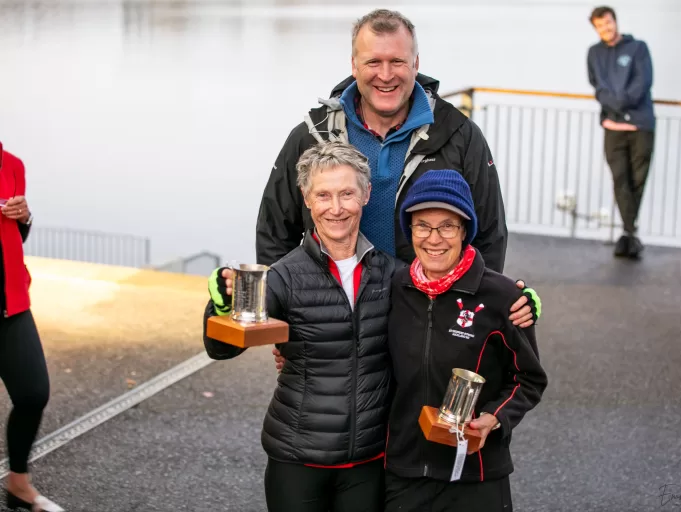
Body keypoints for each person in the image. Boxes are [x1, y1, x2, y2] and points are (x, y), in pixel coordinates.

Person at [256, 9, 520, 281]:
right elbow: (275, 232)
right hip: (330, 312)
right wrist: (283, 302)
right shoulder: (312, 136)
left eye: (397, 61)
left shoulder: (459, 134)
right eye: (373, 62)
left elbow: (489, 236)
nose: (385, 75)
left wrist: (472, 307)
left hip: (425, 310)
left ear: (415, 63)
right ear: (354, 65)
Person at [204, 141, 395, 511]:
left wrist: (510, 303)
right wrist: (220, 305)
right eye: (323, 195)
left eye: (347, 194)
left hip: (369, 462)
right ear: (306, 199)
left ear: (366, 195)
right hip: (296, 457)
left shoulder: (393, 274)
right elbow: (222, 348)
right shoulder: (282, 277)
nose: (336, 208)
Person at [383, 169, 548, 511]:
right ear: (409, 229)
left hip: (478, 473)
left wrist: (494, 417)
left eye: (447, 225)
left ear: (465, 231)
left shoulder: (502, 297)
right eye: (422, 225)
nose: (434, 238)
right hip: (406, 469)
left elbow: (529, 379)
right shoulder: (396, 288)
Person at [0, 144, 64, 512]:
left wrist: (23, 217)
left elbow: (16, 238)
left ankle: (18, 486)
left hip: (12, 304)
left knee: (33, 393)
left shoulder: (12, 165)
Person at [587, 6, 655, 259]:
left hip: (641, 126)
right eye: (600, 26)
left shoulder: (638, 48)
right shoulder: (594, 53)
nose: (606, 28)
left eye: (608, 23)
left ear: (615, 21)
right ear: (596, 28)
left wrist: (622, 104)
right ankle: (630, 232)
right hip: (612, 127)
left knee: (638, 180)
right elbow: (598, 87)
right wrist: (616, 106)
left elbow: (643, 83)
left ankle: (628, 233)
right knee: (620, 179)